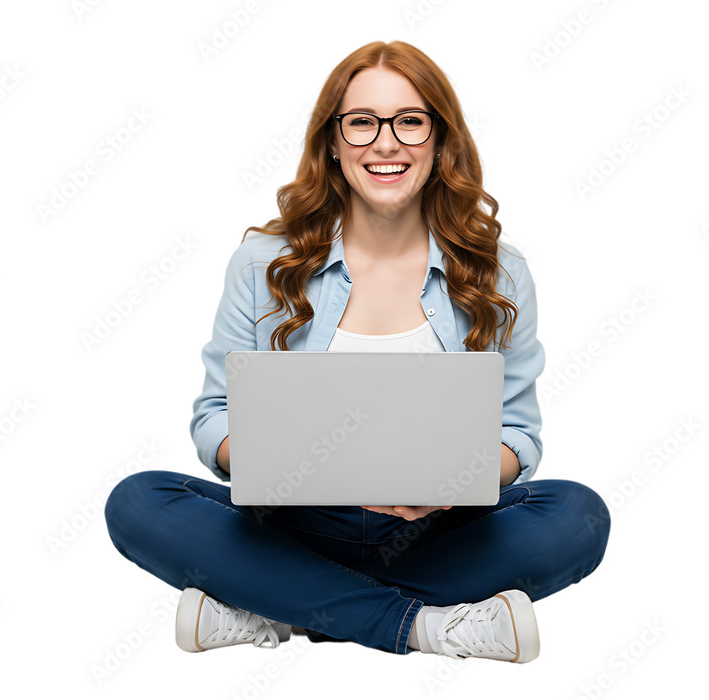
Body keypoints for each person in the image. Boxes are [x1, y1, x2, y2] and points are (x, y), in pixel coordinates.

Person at [104, 40, 610, 663]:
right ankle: (425, 627)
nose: (386, 142)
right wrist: (299, 463)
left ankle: (269, 603)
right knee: (138, 500)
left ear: (440, 140)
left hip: (436, 530)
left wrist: (458, 478)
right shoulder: (264, 263)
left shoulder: (498, 273)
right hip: (291, 523)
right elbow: (215, 423)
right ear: (333, 142)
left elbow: (519, 437)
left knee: (579, 515)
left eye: (410, 121)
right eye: (363, 122)